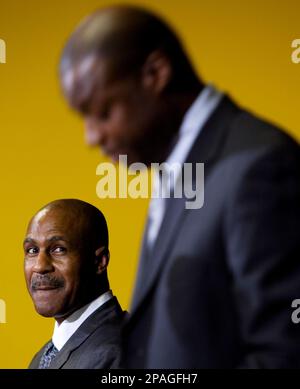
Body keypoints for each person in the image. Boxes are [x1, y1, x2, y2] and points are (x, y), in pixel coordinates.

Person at [59, 6, 300, 368]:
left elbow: (284, 353)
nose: (92, 136)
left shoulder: (259, 166)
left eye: (103, 111)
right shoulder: (181, 167)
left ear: (155, 73)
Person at [24, 199, 125, 369]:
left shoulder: (121, 352)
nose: (39, 266)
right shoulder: (42, 357)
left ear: (99, 261)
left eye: (58, 249)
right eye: (32, 250)